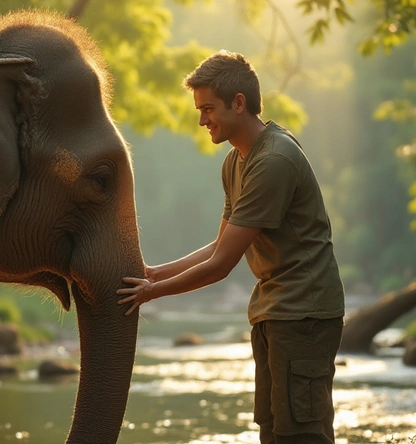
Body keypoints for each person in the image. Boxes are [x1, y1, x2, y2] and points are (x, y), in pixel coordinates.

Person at [117, 50, 345, 444]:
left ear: (238, 103)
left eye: (208, 108)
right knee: (272, 430)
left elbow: (222, 264)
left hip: (304, 314)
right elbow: (220, 244)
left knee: (301, 433)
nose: (202, 119)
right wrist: (156, 272)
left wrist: (154, 293)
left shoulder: (274, 160)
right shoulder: (235, 161)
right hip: (273, 310)